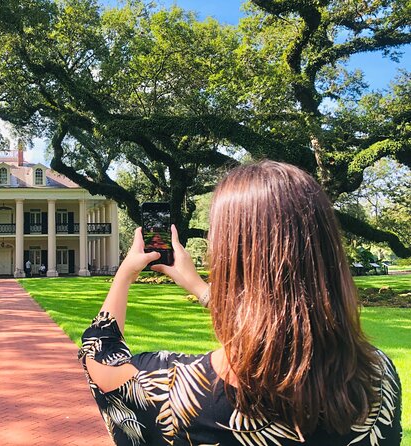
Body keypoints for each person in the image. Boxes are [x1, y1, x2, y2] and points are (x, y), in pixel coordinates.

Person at [79, 161, 402, 446]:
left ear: (227, 259)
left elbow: (99, 351)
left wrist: (124, 274)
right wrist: (197, 287)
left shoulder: (177, 393)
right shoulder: (380, 378)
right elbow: (277, 319)